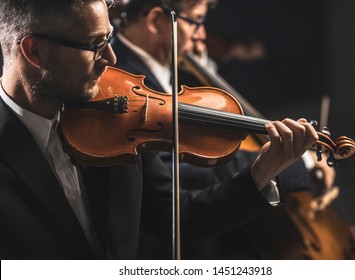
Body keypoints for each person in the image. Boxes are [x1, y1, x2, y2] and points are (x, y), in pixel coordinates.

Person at [0, 0, 318, 260]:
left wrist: (261, 172)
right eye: (95, 45)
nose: (110, 59)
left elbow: (175, 220)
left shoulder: (119, 119)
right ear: (34, 51)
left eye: (108, 39)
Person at [110, 0, 338, 259]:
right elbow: (185, 172)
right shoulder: (125, 90)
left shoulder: (168, 72)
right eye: (196, 21)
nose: (203, 34)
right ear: (154, 21)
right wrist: (296, 162)